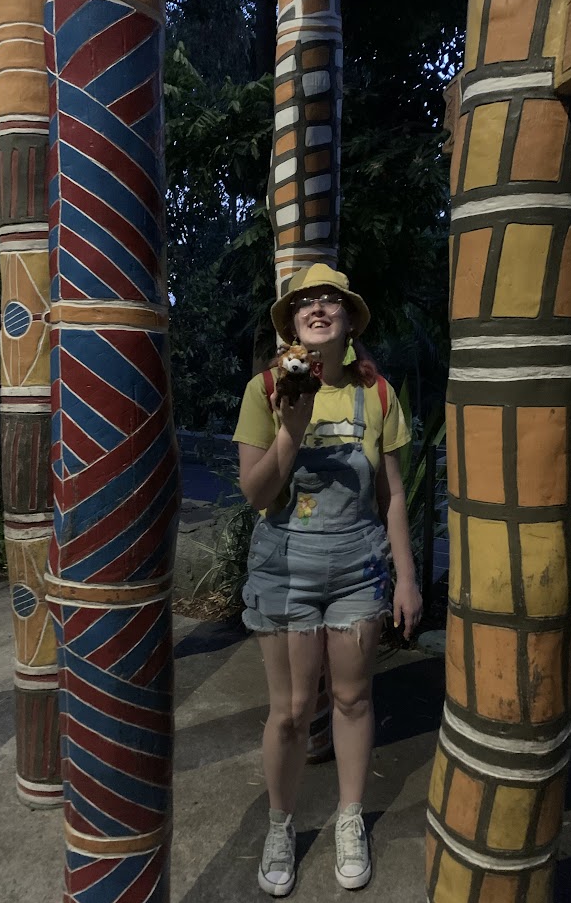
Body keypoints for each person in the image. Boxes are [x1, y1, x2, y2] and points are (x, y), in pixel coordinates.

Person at [233, 263, 422, 896]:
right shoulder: (265, 391)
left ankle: (347, 819)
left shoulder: (378, 396)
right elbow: (257, 494)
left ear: (347, 321)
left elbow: (393, 496)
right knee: (287, 712)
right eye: (305, 301)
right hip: (283, 567)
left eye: (330, 300)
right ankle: (281, 825)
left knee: (352, 699)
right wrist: (292, 426)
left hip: (358, 568)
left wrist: (406, 578)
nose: (317, 307)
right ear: (291, 324)